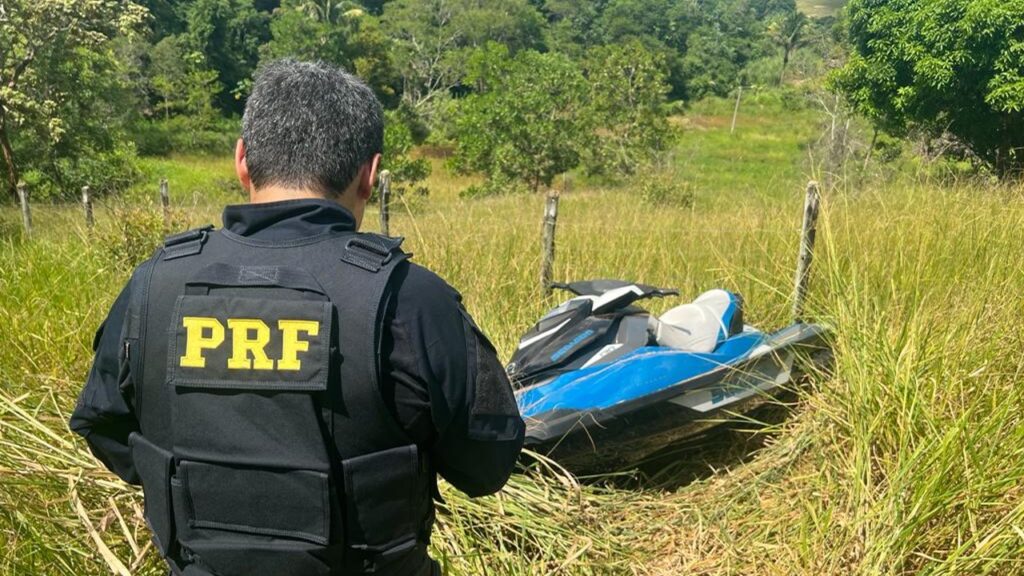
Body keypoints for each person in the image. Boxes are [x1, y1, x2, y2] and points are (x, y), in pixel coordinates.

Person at [69, 59, 525, 576]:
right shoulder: (412, 298)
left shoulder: (153, 285)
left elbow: (101, 424)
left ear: (242, 160)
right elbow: (487, 465)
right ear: (370, 175)